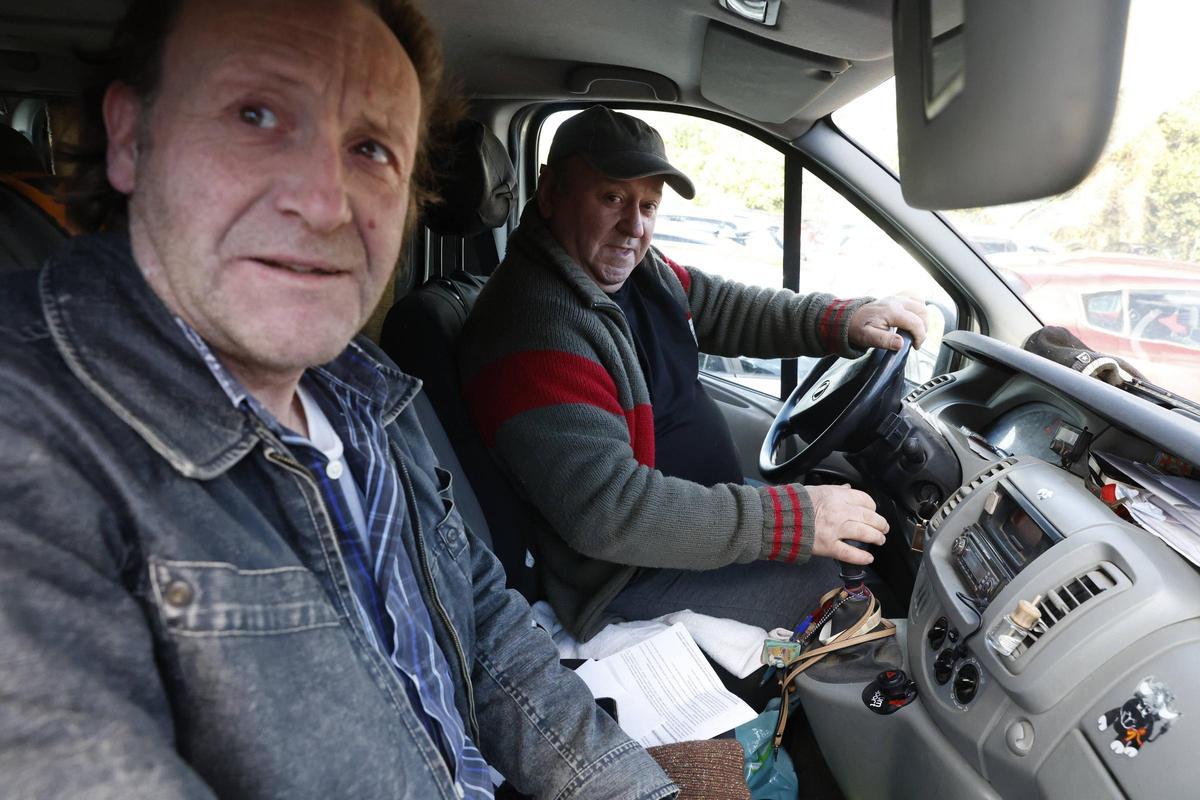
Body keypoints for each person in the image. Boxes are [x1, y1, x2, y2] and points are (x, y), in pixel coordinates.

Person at [0, 4, 679, 798]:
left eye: (369, 148)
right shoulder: (29, 436)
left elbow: (481, 618)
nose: (326, 204)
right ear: (128, 136)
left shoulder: (358, 384)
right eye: (256, 116)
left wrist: (631, 787)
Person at [458, 106, 928, 642]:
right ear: (550, 195)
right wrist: (797, 520)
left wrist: (841, 320)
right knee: (854, 608)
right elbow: (611, 513)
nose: (634, 227)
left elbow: (721, 306)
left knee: (858, 558)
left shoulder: (631, 270)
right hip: (628, 574)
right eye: (611, 198)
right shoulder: (537, 329)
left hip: (694, 519)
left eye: (648, 206)